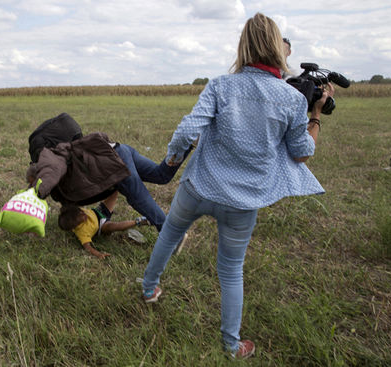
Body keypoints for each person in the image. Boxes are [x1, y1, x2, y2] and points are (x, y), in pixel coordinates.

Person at [141, 13, 334, 359]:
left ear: (243, 46)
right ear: (279, 49)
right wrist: (315, 114)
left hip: (198, 187)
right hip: (243, 202)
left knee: (169, 234)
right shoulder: (293, 100)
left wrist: (172, 159)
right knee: (231, 269)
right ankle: (231, 344)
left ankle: (148, 289)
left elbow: (187, 131)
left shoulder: (220, 85)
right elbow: (302, 153)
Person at [29, 132, 193, 232]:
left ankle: (171, 233)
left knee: (137, 196)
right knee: (161, 175)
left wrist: (34, 194)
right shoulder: (62, 192)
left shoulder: (51, 164)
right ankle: (186, 143)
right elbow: (70, 207)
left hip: (111, 163)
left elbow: (51, 173)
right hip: (118, 150)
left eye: (32, 180)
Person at [58, 191, 149, 259]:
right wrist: (99, 254)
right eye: (81, 218)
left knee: (114, 193)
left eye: (81, 212)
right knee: (113, 226)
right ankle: (138, 221)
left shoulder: (74, 211)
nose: (83, 215)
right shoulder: (82, 232)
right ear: (75, 226)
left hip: (99, 212)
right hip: (102, 226)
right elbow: (88, 247)